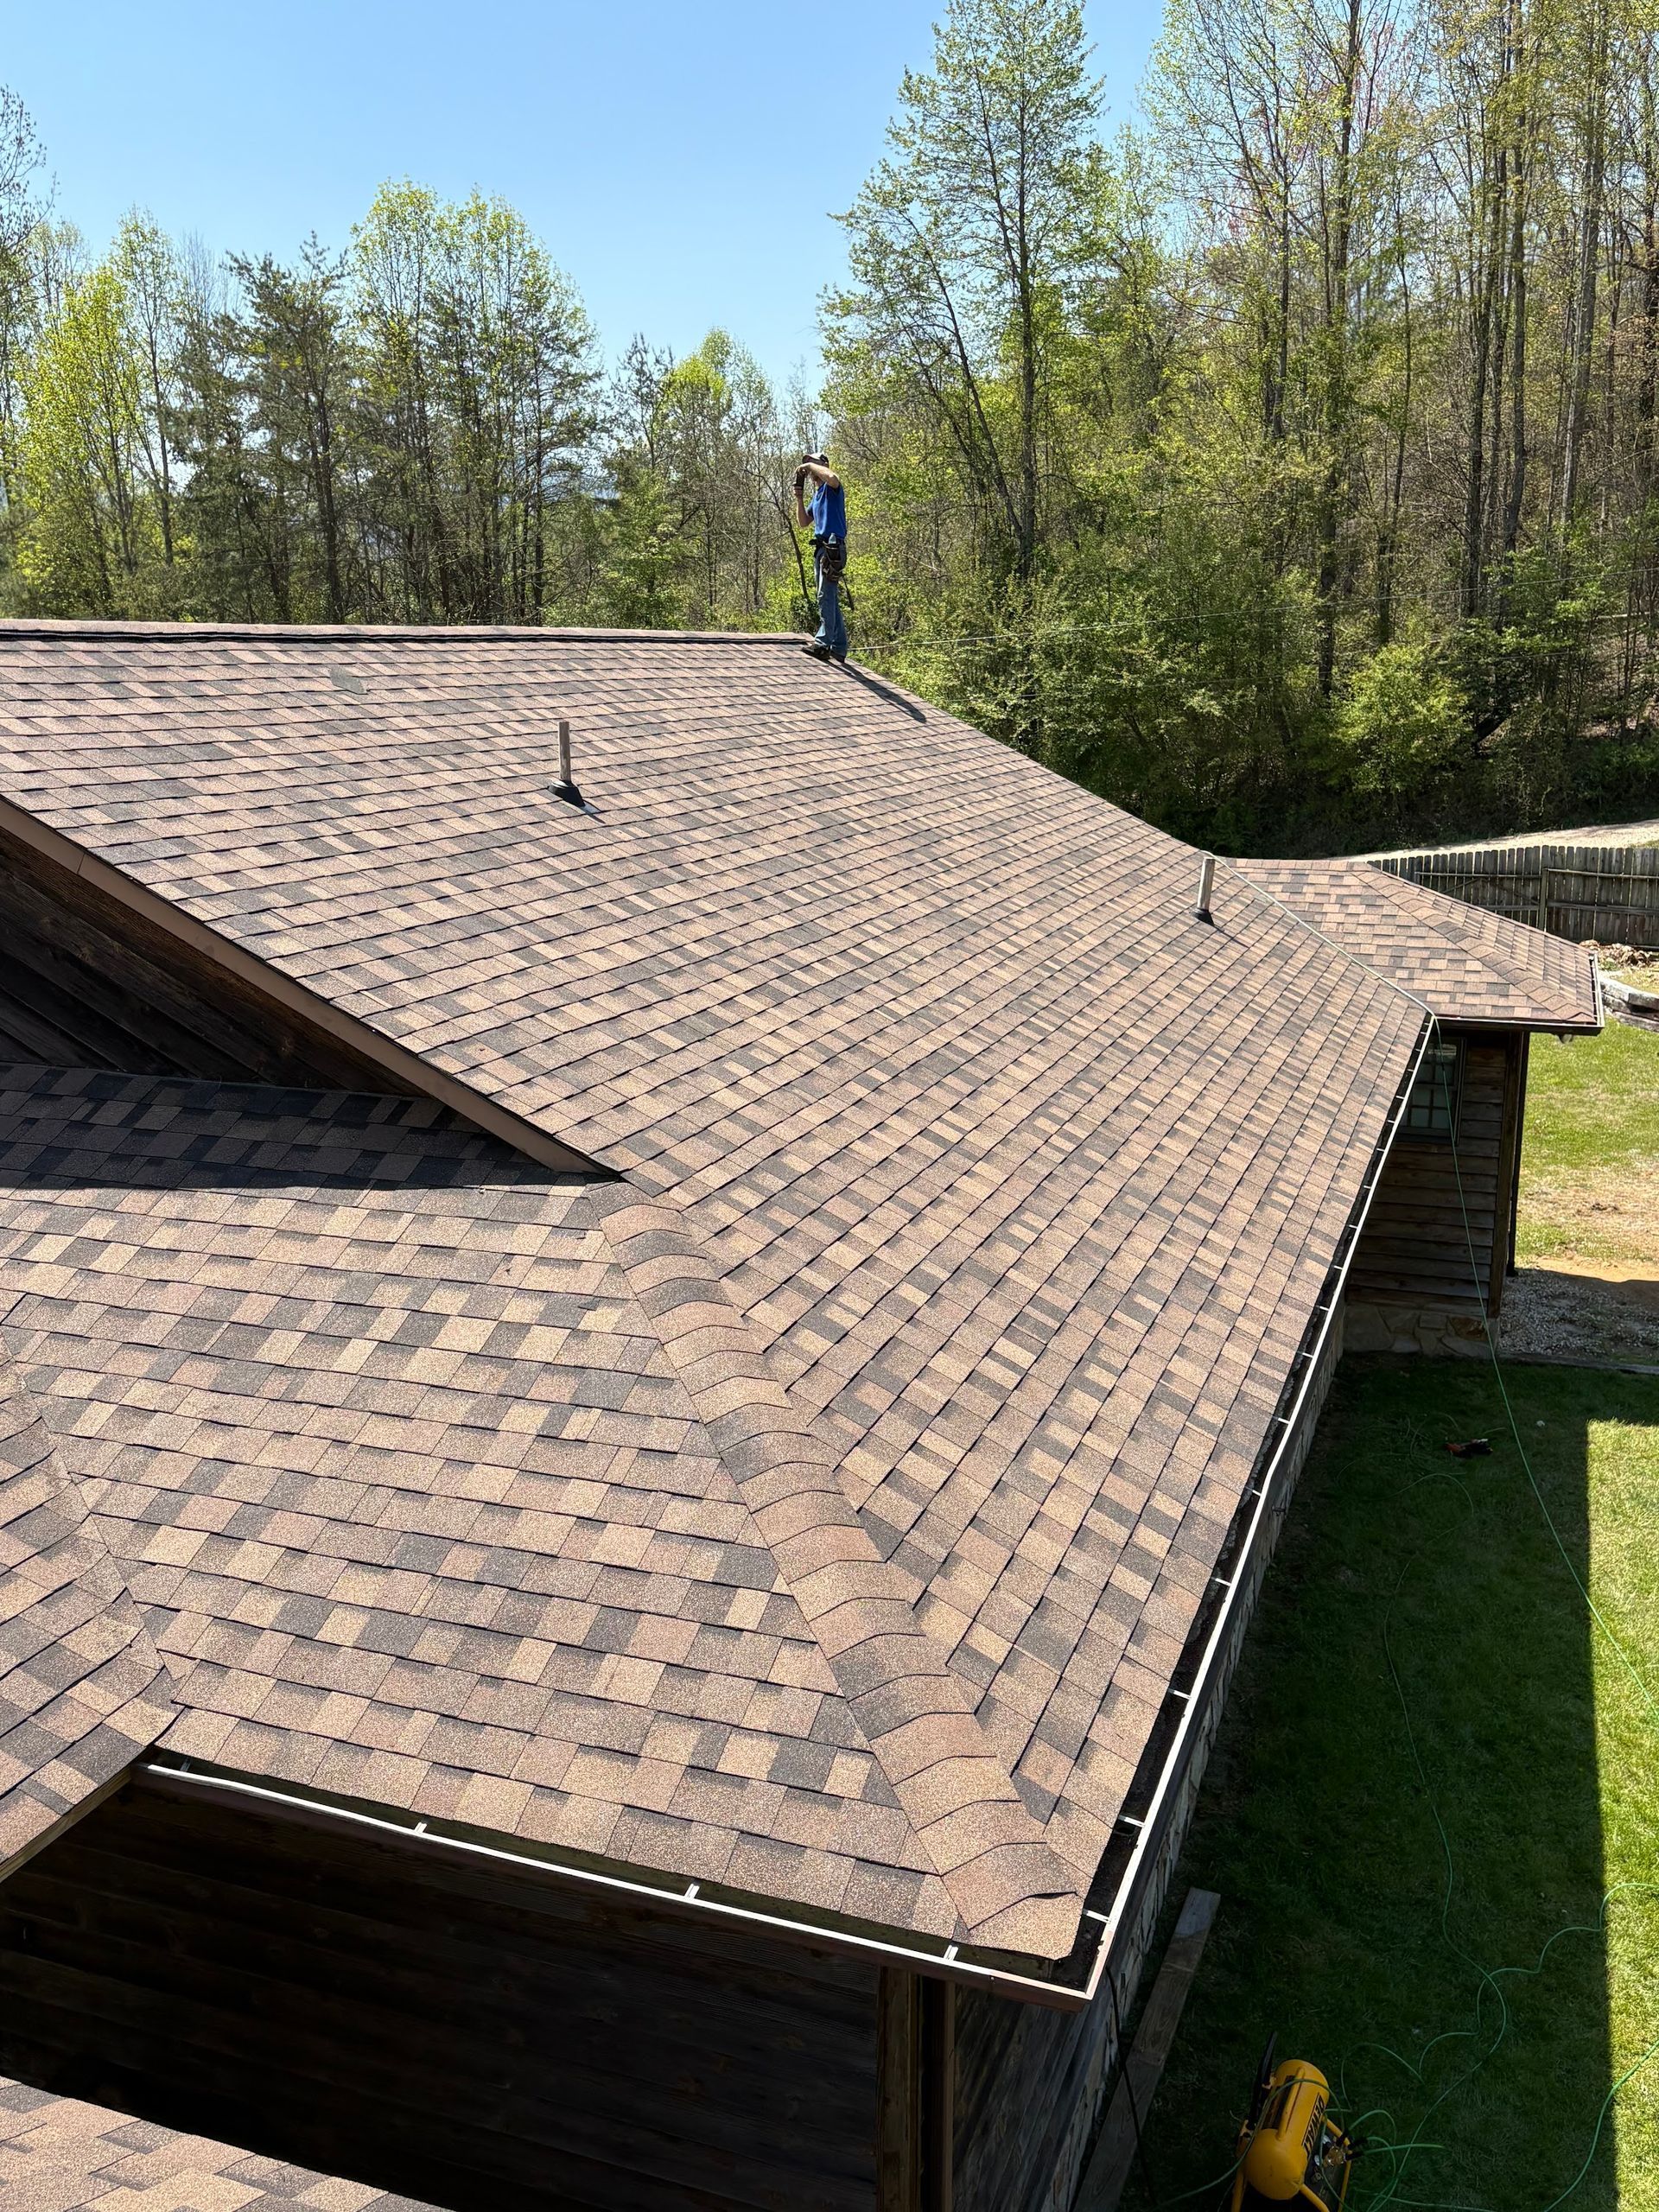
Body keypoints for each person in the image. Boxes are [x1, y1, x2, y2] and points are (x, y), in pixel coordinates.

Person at [795, 452, 849, 663]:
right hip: (822, 549)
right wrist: (799, 497)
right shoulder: (817, 496)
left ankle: (823, 644)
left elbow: (833, 478)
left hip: (833, 548)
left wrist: (811, 465)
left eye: (813, 463)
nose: (808, 469)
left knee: (824, 596)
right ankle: (840, 646)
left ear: (823, 464)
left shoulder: (832, 488)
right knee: (830, 597)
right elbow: (803, 522)